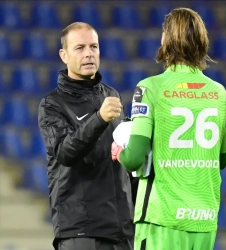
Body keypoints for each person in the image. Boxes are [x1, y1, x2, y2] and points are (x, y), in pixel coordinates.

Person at [111, 8, 226, 250]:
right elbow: (223, 158)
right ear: (202, 41)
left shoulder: (149, 89)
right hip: (204, 221)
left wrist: (119, 153)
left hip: (161, 220)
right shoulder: (219, 93)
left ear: (166, 39)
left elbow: (134, 158)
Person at [38, 22, 135, 250]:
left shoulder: (111, 95)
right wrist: (99, 118)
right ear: (64, 55)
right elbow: (65, 152)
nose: (89, 53)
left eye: (94, 46)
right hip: (81, 232)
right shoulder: (52, 105)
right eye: (80, 48)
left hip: (121, 231)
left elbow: (123, 159)